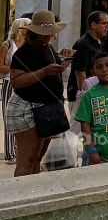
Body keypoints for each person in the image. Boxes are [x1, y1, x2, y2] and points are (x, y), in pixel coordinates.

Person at [7, 11, 74, 176]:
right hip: (27, 107)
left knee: (37, 159)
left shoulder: (48, 48)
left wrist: (63, 58)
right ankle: (22, 196)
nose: (47, 37)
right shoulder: (24, 52)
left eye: (50, 33)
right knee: (27, 160)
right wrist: (44, 71)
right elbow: (16, 81)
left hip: (46, 108)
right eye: (43, 34)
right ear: (33, 32)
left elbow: (49, 65)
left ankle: (33, 193)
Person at [0, 17, 30, 162]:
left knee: (23, 118)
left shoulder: (29, 45)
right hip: (9, 82)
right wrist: (16, 68)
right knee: (9, 117)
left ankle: (20, 151)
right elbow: (0, 67)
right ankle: (10, 153)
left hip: (25, 83)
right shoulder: (8, 44)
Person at [66, 10, 108, 107]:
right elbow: (80, 73)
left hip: (96, 93)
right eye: (104, 23)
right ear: (93, 25)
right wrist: (86, 96)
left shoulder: (100, 42)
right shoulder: (83, 44)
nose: (107, 27)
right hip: (82, 98)